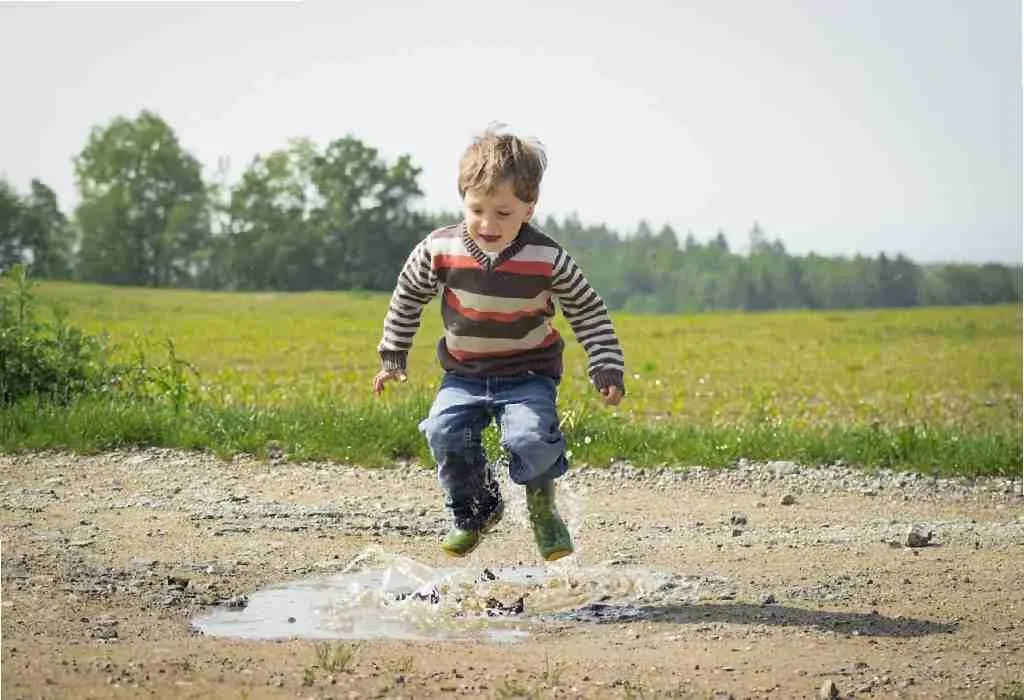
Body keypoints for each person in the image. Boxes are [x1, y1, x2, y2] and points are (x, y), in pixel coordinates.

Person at [372, 125, 626, 561]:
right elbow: (408, 295)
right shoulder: (440, 248)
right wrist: (393, 354)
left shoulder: (548, 258)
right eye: (478, 209)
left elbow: (586, 310)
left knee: (528, 440)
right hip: (463, 374)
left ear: (529, 208)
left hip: (529, 374)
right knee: (443, 432)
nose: (488, 224)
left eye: (504, 213)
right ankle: (477, 510)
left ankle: (542, 506)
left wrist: (605, 365)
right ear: (463, 199)